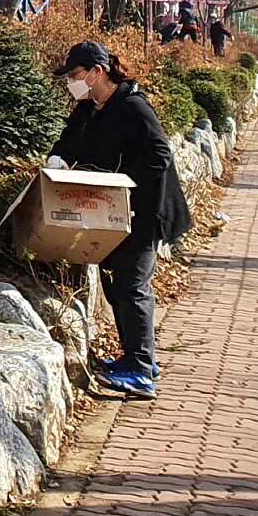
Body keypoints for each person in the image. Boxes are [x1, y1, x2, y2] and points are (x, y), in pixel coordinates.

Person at [48, 40, 194, 400]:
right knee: (114, 286)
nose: (72, 82)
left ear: (98, 72)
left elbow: (159, 154)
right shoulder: (87, 109)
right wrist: (57, 162)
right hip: (112, 213)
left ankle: (142, 371)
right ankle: (132, 358)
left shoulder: (132, 107)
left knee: (131, 286)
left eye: (76, 75)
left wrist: (121, 179)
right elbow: (70, 142)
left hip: (145, 212)